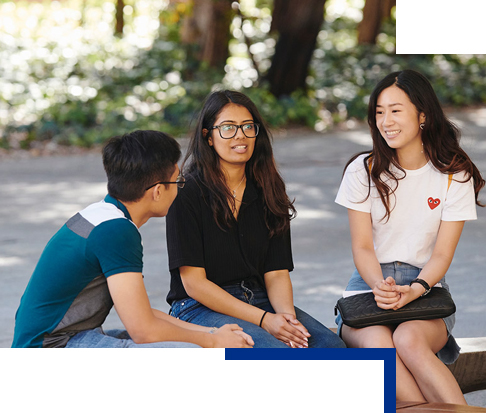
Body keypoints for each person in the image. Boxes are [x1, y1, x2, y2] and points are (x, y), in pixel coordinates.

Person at [12, 130, 254, 348]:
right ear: (158, 191)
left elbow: (141, 314)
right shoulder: (116, 232)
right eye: (178, 181)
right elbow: (143, 331)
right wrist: (213, 341)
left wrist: (212, 331)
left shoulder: (103, 216)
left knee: (190, 342)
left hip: (62, 338)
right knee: (187, 352)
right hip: (52, 348)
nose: (181, 188)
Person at [335, 70, 485, 403]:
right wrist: (380, 286)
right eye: (379, 111)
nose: (385, 120)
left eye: (395, 110)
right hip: (367, 286)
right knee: (379, 347)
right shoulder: (363, 169)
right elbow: (361, 247)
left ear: (422, 115)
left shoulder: (453, 174)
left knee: (408, 340)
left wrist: (415, 289)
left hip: (427, 285)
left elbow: (442, 255)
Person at [166, 90, 345, 349]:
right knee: (278, 355)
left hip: (260, 299)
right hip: (198, 307)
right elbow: (194, 284)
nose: (240, 135)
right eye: (228, 127)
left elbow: (276, 273)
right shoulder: (186, 192)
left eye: (248, 127)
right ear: (208, 137)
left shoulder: (268, 189)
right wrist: (265, 320)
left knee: (331, 348)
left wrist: (287, 320)